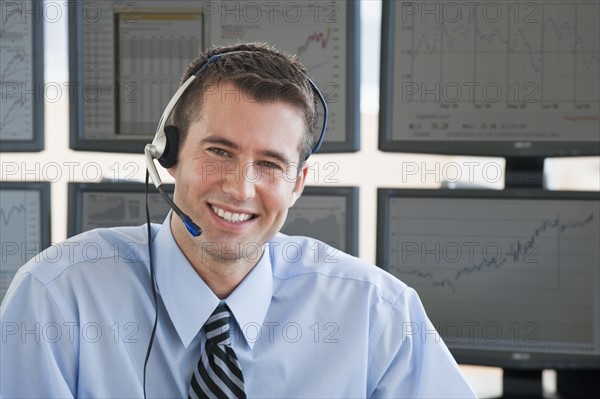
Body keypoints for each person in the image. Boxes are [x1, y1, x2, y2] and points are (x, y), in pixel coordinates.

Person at [0, 43, 476, 398]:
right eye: (219, 151)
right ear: (169, 154)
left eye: (270, 164)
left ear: (298, 182)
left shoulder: (378, 314)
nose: (240, 188)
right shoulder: (55, 301)